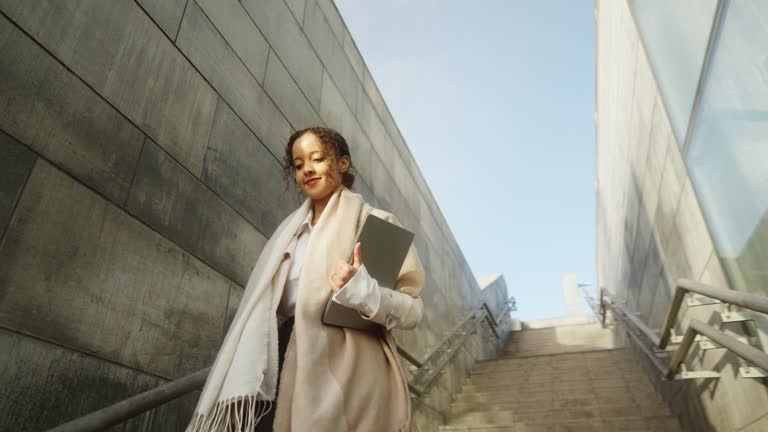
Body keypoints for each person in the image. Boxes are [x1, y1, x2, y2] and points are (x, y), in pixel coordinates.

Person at [185, 127, 425, 432]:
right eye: (298, 165)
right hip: (280, 364)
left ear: (342, 163)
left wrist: (365, 291)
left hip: (350, 373)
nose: (307, 170)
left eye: (317, 159)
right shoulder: (288, 235)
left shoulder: (377, 224)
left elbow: (414, 311)